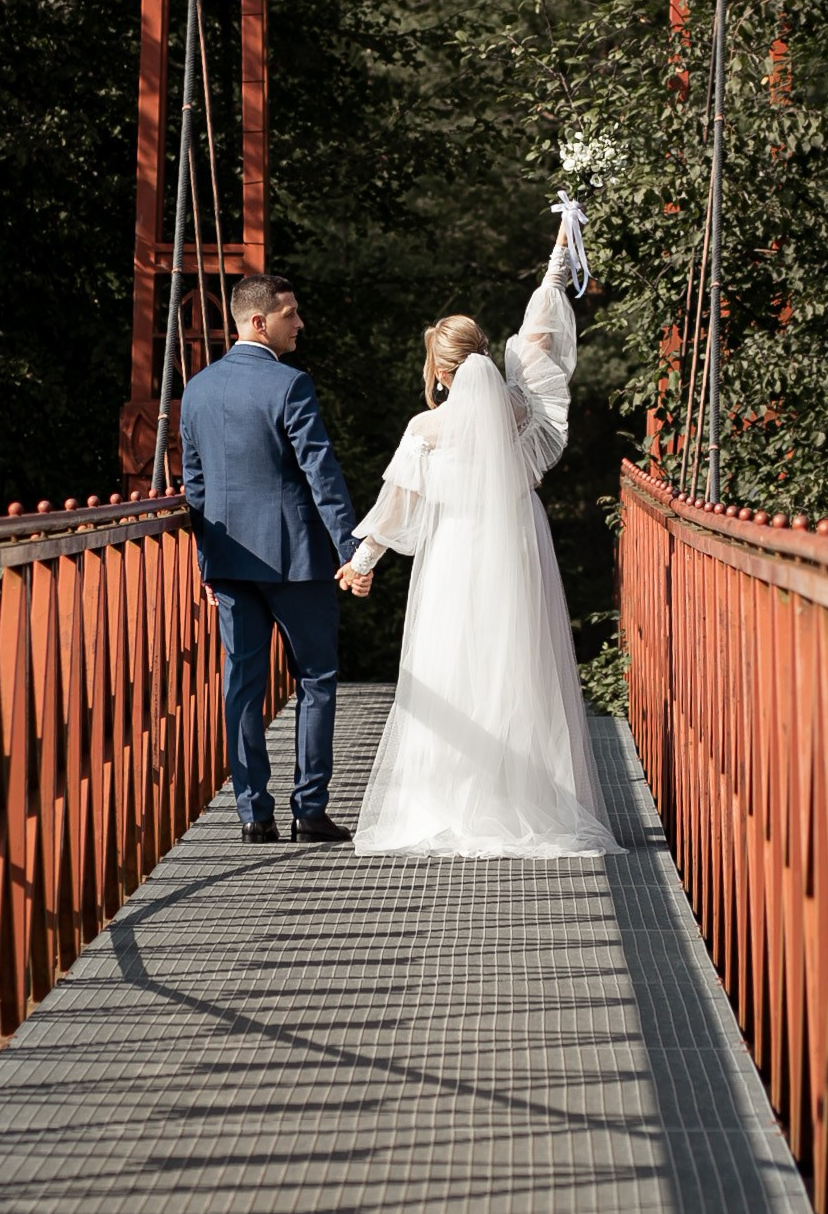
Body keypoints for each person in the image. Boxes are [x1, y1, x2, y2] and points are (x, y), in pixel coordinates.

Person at [336, 203, 614, 858]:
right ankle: (532, 798)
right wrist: (557, 257)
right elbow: (540, 327)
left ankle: (453, 796)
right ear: (487, 356)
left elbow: (398, 505)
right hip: (519, 544)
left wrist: (363, 559)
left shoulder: (426, 429)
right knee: (519, 662)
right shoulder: (522, 407)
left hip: (457, 552)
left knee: (455, 662)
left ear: (439, 370)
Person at [179, 272, 360, 845]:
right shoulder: (290, 386)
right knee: (317, 677)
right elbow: (322, 475)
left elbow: (195, 486)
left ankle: (253, 813)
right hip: (295, 560)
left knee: (242, 684)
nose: (299, 324)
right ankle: (309, 809)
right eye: (291, 314)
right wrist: (353, 551)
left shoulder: (198, 390)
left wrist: (208, 560)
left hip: (231, 561)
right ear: (260, 321)